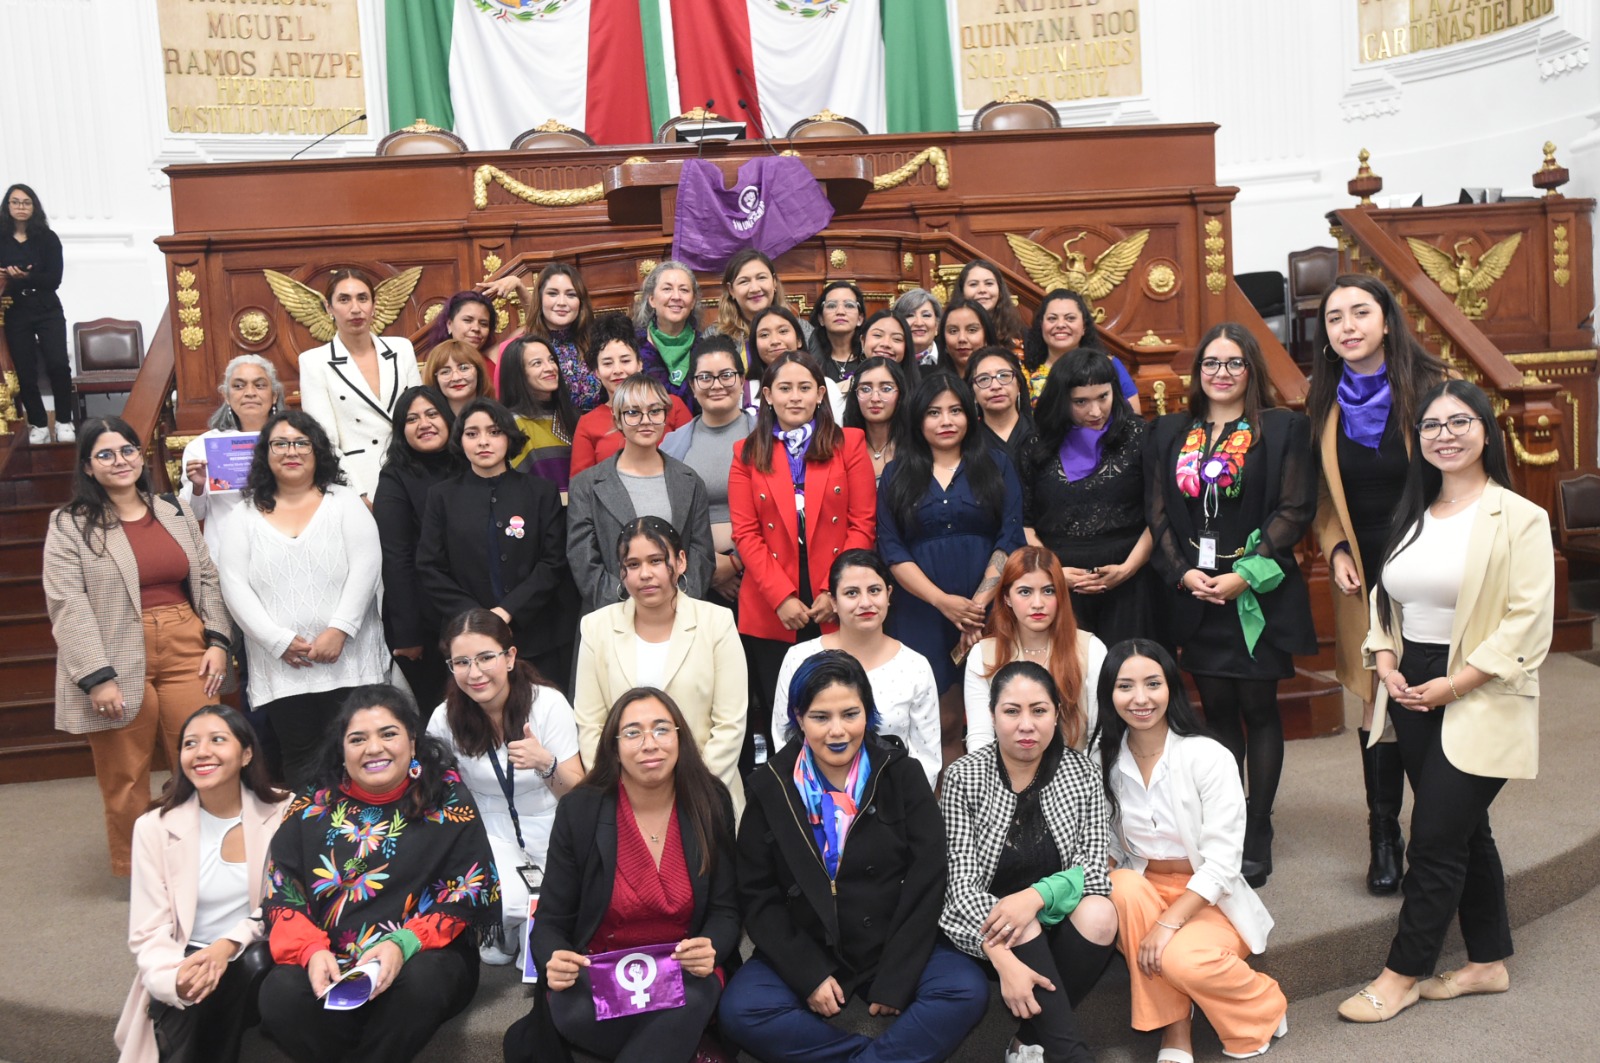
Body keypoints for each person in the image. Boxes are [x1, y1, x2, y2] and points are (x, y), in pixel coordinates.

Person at [1337, 380, 1553, 1024]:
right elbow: (1385, 601)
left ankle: (1402, 973)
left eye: (1460, 422)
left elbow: (1528, 622)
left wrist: (1456, 684)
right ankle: (1487, 961)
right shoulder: (1415, 513)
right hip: (1410, 683)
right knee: (1464, 826)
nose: (1445, 435)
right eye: (1431, 426)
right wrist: (1383, 661)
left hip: (1478, 686)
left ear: (1487, 430)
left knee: (1432, 837)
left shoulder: (1519, 516)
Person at [718, 652, 989, 1061]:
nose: (838, 731)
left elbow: (928, 874)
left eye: (850, 714)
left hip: (890, 940)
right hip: (808, 940)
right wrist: (806, 973)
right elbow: (757, 894)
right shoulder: (770, 786)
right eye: (820, 717)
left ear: (868, 713)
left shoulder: (901, 774)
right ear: (798, 718)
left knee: (966, 990)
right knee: (742, 1011)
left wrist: (898, 974)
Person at [1144, 323, 1316, 887]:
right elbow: (1160, 513)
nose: (1221, 373)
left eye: (1234, 362)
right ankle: (1230, 821)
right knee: (1215, 709)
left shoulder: (1283, 428)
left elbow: (1293, 509)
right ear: (1197, 374)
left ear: (1252, 371)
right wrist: (1181, 571)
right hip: (1195, 593)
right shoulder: (1171, 431)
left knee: (1259, 707)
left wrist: (1244, 574)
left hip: (1254, 593)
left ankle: (1259, 825)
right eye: (1211, 363)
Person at [256, 686, 500, 1063]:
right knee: (279, 993)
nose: (374, 748)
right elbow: (283, 888)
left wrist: (403, 943)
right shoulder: (312, 804)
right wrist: (311, 950)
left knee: (423, 984)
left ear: (413, 742)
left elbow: (471, 889)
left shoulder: (447, 799)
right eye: (358, 739)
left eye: (388, 734)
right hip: (330, 958)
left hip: (421, 954)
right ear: (342, 749)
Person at [504, 687, 741, 1063]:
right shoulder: (581, 809)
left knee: (691, 1001)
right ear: (614, 747)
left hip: (682, 975)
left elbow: (727, 910)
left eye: (662, 729)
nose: (650, 743)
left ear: (680, 738)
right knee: (582, 1011)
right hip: (599, 976)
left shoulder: (709, 800)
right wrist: (554, 956)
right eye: (633, 732)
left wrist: (712, 944)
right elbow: (550, 921)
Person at [1309, 273, 1450, 897]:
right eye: (1335, 318)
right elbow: (1322, 494)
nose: (1348, 326)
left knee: (1435, 692)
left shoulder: (1433, 392)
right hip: (1363, 574)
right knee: (1377, 703)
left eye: (1360, 313)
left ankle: (1443, 834)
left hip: (1429, 565)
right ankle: (1384, 836)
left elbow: (1467, 479)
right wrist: (1335, 544)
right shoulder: (1325, 404)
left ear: (1387, 320)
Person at [44, 417, 234, 874]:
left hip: (187, 642)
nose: (120, 461)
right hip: (113, 651)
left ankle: (207, 858)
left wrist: (219, 640)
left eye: (127, 450)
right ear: (88, 467)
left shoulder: (172, 509)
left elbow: (206, 577)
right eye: (105, 454)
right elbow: (67, 602)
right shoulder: (70, 524)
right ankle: (141, 870)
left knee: (204, 756)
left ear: (140, 454)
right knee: (125, 773)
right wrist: (96, 676)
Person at [1098, 640, 1289, 1061]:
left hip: (1208, 896)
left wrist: (1169, 923)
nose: (1141, 698)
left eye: (1153, 683)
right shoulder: (1104, 760)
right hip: (1144, 890)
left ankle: (1264, 1004)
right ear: (1109, 695)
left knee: (1182, 961)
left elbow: (1223, 862)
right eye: (1125, 687)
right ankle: (1175, 1031)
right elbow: (1110, 845)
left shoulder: (1207, 755)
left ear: (1172, 688)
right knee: (1120, 884)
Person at [941, 661, 1118, 1063]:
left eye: (1039, 710)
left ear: (1057, 713)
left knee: (1101, 913)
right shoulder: (964, 777)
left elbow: (1094, 869)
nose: (1026, 725)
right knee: (1019, 922)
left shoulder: (1082, 772)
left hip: (1055, 923)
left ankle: (1028, 1037)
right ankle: (1073, 1055)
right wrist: (1003, 950)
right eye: (1011, 711)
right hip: (984, 933)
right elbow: (959, 889)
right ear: (991, 715)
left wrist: (1035, 897)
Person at [218, 410, 388, 790]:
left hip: (349, 658)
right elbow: (233, 584)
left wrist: (340, 629)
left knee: (361, 752)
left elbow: (367, 565)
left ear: (318, 451)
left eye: (300, 443)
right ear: (266, 453)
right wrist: (277, 641)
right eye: (280, 443)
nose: (290, 451)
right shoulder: (242, 514)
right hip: (285, 666)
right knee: (301, 759)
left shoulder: (343, 501)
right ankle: (314, 843)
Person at [728, 352, 875, 773]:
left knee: (843, 711)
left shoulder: (850, 444)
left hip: (838, 602)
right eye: (785, 388)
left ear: (821, 393)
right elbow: (746, 534)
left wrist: (836, 590)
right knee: (784, 720)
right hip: (774, 607)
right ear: (767, 396)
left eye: (805, 387)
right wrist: (781, 597)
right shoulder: (745, 451)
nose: (795, 397)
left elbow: (862, 523)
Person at [115, 706, 288, 1063]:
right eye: (190, 744)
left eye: (217, 740)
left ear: (247, 753)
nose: (202, 752)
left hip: (258, 951)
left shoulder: (284, 812)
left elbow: (283, 903)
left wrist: (226, 946)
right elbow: (149, 930)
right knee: (195, 987)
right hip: (185, 955)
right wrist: (172, 978)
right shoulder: (154, 827)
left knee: (243, 968)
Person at [878, 372, 1025, 763]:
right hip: (921, 610)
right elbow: (892, 549)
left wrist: (976, 610)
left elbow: (1009, 539)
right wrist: (945, 603)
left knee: (996, 714)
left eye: (955, 410)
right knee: (938, 721)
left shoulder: (996, 464)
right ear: (916, 419)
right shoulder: (896, 473)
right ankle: (941, 814)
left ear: (970, 414)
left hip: (991, 609)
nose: (946, 421)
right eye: (934, 412)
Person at [427, 609, 583, 963]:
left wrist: (547, 765)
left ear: (510, 657)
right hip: (488, 829)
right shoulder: (444, 717)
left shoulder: (548, 704)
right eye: (461, 662)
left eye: (486, 658)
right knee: (507, 906)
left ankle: (526, 931)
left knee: (562, 926)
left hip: (552, 821)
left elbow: (578, 796)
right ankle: (509, 927)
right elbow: (438, 797)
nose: (475, 673)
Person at [574, 518, 748, 809]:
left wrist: (694, 789)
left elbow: (730, 723)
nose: (644, 574)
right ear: (622, 571)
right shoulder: (596, 628)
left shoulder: (716, 623)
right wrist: (622, 788)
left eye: (656, 561)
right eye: (632, 564)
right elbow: (591, 725)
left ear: (680, 561)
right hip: (625, 798)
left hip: (707, 794)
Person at [417, 397, 576, 688]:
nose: (483, 442)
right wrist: (477, 618)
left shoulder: (541, 492)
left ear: (508, 437)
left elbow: (553, 562)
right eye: (472, 433)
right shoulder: (442, 496)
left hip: (538, 637)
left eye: (494, 431)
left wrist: (506, 611)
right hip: (467, 641)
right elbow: (430, 567)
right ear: (460, 440)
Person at [771, 550, 941, 786]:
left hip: (894, 802)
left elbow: (927, 756)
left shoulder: (915, 666)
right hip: (814, 802)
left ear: (889, 594)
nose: (865, 603)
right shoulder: (799, 658)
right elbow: (784, 740)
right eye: (852, 593)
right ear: (833, 602)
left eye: (874, 590)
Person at [1022, 349, 1156, 648]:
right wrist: (1053, 573)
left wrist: (1128, 568)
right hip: (1060, 577)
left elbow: (1158, 515)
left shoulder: (1139, 435)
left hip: (1131, 575)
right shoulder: (1036, 444)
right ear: (1061, 400)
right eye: (1081, 402)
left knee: (1127, 671)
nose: (1095, 411)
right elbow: (1024, 522)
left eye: (1103, 397)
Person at [567, 376, 715, 617]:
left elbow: (701, 553)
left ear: (666, 416)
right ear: (617, 419)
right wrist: (630, 607)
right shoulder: (587, 485)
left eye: (655, 411)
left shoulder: (690, 480)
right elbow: (583, 561)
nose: (645, 421)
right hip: (612, 617)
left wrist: (677, 602)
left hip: (680, 615)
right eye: (633, 412)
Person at [964, 546, 1107, 755]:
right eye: (1025, 592)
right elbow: (980, 737)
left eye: (1049, 591)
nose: (1038, 603)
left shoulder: (1091, 648)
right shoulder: (983, 654)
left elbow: (1099, 736)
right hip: (1005, 778)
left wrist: (1083, 783)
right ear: (1007, 598)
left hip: (1077, 778)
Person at [295, 267, 423, 500]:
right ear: (329, 308)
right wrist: (358, 495)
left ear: (373, 306)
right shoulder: (314, 362)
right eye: (344, 299)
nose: (355, 308)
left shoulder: (401, 349)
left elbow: (419, 416)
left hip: (414, 473)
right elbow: (325, 441)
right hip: (361, 482)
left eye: (362, 298)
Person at [373, 386, 458, 713]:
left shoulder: (467, 464)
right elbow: (396, 558)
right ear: (400, 430)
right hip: (422, 623)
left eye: (432, 414)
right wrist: (408, 633)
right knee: (439, 716)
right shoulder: (395, 476)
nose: (424, 423)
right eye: (412, 419)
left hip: (472, 611)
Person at [661, 336, 757, 607]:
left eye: (726, 375)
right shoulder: (672, 444)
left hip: (762, 568)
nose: (716, 385)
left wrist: (737, 560)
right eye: (705, 377)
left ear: (741, 380)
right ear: (692, 385)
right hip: (694, 575)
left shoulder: (765, 434)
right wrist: (706, 565)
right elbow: (668, 515)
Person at [180, 354, 287, 562]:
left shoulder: (294, 441)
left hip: (284, 545)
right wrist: (198, 487)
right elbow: (193, 515)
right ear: (226, 396)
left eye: (259, 385)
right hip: (228, 554)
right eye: (239, 386)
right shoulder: (202, 447)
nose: (250, 393)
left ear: (274, 395)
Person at [571, 314, 692, 477]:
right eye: (607, 363)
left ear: (640, 363)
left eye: (625, 360)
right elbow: (581, 487)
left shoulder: (671, 406)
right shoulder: (588, 423)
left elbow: (693, 463)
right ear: (597, 372)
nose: (617, 370)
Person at [1, 182, 73, 443]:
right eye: (16, 202)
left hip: (46, 308)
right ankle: (39, 423)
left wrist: (24, 276)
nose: (21, 207)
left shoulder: (47, 238)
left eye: (26, 202)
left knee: (58, 364)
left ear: (34, 207)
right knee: (25, 369)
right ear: (7, 206)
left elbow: (53, 279)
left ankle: (64, 420)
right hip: (13, 310)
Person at [482, 262, 604, 412]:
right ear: (540, 298)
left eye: (571, 295)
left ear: (581, 302)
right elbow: (506, 408)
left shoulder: (597, 342)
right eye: (552, 293)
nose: (561, 302)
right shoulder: (520, 347)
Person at [1022, 289, 1141, 413]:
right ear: (1041, 325)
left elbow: (1134, 416)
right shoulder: (1025, 371)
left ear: (1084, 326)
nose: (1060, 324)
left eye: (1070, 318)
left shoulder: (1110, 365)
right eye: (1052, 319)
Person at [497, 333, 579, 492]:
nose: (550, 368)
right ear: (518, 373)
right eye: (537, 363)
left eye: (551, 360)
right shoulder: (511, 424)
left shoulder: (573, 417)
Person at [741, 304, 846, 422]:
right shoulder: (743, 390)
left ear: (799, 340)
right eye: (764, 335)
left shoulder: (826, 385)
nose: (775, 341)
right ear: (755, 346)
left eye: (783, 331)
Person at [707, 248, 814, 352]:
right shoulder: (715, 336)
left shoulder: (802, 330)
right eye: (744, 281)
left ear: (774, 282)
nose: (755, 289)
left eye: (761, 278)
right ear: (731, 290)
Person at [633, 260, 701, 405]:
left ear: (693, 301)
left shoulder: (705, 348)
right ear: (652, 299)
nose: (676, 297)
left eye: (684, 290)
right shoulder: (633, 347)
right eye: (667, 289)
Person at [840, 355, 910, 484]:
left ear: (900, 394)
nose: (875, 398)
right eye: (865, 389)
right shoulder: (841, 447)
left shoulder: (914, 448)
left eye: (886, 389)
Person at [966, 345, 1035, 474]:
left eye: (1004, 376)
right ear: (973, 393)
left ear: (1019, 385)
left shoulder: (1041, 433)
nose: (995, 386)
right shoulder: (967, 442)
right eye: (984, 379)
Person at [422, 290, 500, 388]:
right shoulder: (434, 365)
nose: (476, 328)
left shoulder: (494, 357)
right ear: (449, 325)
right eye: (467, 320)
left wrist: (518, 287)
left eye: (483, 324)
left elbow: (525, 330)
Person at [955, 259, 1026, 352]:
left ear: (1000, 291)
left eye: (989, 283)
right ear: (962, 291)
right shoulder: (951, 332)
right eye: (973, 284)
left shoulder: (1019, 333)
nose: (982, 290)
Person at [806, 280, 867, 384]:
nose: (840, 312)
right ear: (821, 319)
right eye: (831, 306)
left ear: (859, 319)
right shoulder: (808, 361)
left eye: (849, 305)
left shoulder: (870, 356)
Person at [423, 337, 494, 418]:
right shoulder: (430, 425)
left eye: (464, 368)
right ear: (435, 379)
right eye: (445, 372)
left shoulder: (498, 418)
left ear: (478, 371)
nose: (456, 378)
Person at [935, 297, 996, 378]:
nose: (962, 339)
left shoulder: (1002, 382)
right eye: (953, 331)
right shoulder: (931, 384)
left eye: (972, 330)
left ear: (987, 335)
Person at [893, 287, 942, 367]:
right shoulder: (889, 359)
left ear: (936, 325)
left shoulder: (952, 360)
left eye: (926, 315)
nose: (919, 323)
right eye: (910, 315)